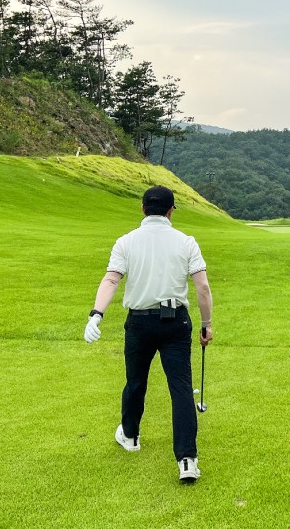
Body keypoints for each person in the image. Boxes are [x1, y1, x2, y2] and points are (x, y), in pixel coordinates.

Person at [84, 186, 214, 483]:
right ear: (171, 211)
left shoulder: (126, 241)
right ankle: (187, 461)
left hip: (139, 323)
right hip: (176, 324)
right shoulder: (186, 241)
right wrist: (206, 324)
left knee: (136, 381)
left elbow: (111, 279)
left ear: (143, 209)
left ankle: (130, 436)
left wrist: (97, 314)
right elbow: (203, 288)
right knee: (181, 389)